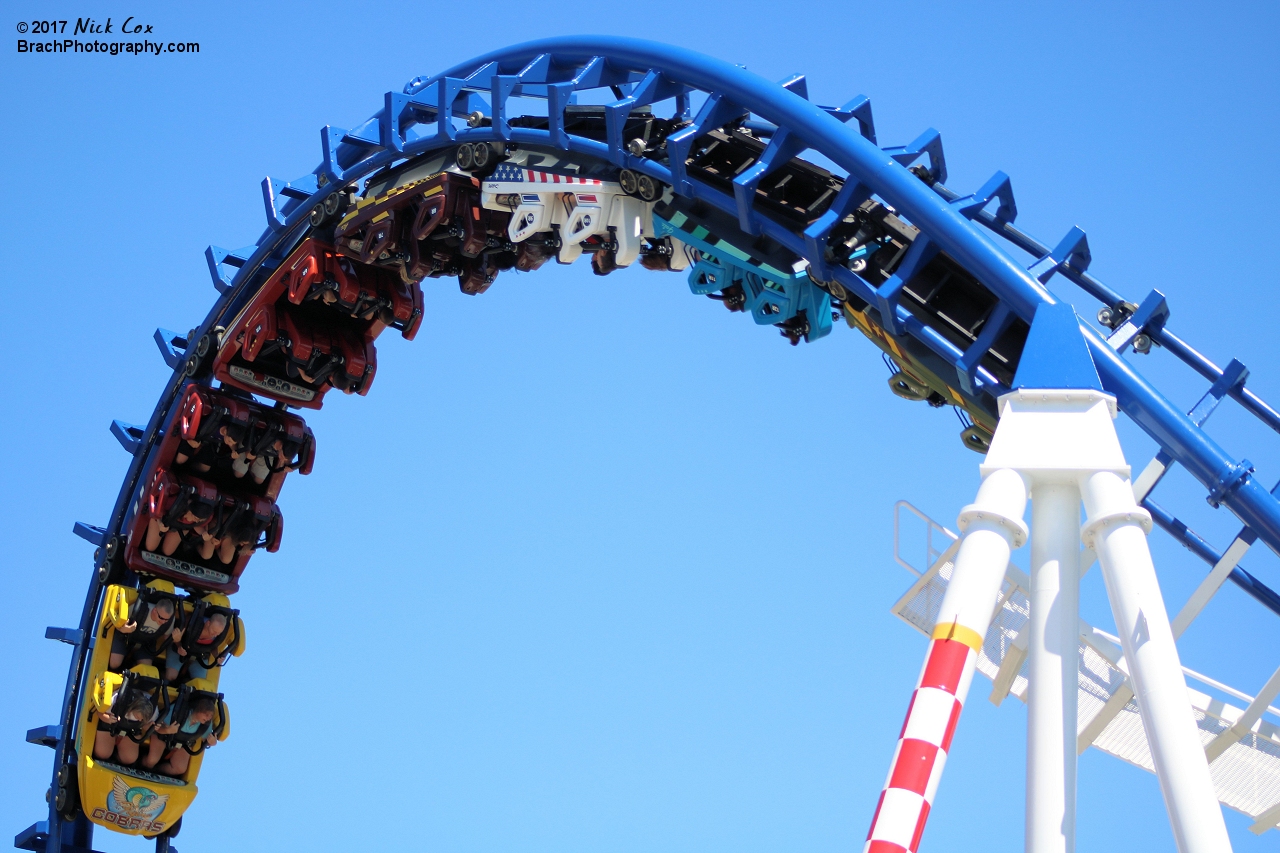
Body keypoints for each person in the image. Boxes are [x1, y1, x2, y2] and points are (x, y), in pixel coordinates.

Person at [149, 696, 218, 777]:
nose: (208, 718)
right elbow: (157, 727)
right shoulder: (179, 710)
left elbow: (207, 740)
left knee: (180, 768)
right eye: (206, 714)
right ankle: (143, 766)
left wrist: (213, 742)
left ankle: (156, 771)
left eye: (210, 716)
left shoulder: (206, 725)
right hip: (163, 735)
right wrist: (167, 730)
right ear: (198, 709)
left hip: (182, 744)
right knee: (151, 760)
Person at [108, 596, 178, 672]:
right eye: (161, 618)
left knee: (146, 671)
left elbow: (166, 637)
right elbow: (115, 622)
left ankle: (133, 666)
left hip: (146, 644)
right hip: (126, 637)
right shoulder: (139, 608)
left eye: (166, 619)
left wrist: (176, 639)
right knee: (114, 664)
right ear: (154, 611)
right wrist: (123, 629)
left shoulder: (170, 621)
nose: (163, 622)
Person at [93, 688, 156, 766]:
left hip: (130, 731)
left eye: (142, 719)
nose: (140, 719)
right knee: (102, 754)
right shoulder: (116, 700)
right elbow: (99, 712)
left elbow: (145, 727)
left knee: (129, 759)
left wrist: (150, 726)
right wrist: (108, 719)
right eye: (137, 717)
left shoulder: (153, 710)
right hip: (109, 726)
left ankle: (116, 758)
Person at [166, 611, 229, 681]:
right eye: (214, 631)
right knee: (170, 677)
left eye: (218, 633)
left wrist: (217, 657)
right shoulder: (192, 624)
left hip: (199, 657)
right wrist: (179, 646)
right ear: (208, 623)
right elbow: (175, 638)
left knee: (200, 684)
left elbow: (213, 646)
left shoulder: (216, 636)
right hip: (179, 650)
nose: (215, 635)